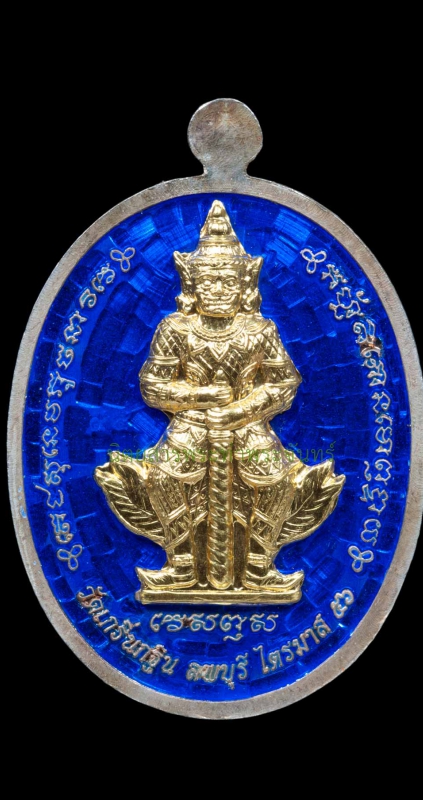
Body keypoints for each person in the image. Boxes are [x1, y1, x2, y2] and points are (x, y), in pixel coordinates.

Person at [95, 200, 344, 601]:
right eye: (209, 282)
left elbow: (285, 383)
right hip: (190, 428)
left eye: (228, 282)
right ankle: (181, 563)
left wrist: (241, 410)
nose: (218, 290)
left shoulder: (260, 330)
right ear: (191, 286)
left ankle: (258, 566)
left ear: (245, 286)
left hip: (248, 428)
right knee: (161, 477)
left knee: (280, 479)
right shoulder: (175, 328)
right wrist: (200, 397)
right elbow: (152, 386)